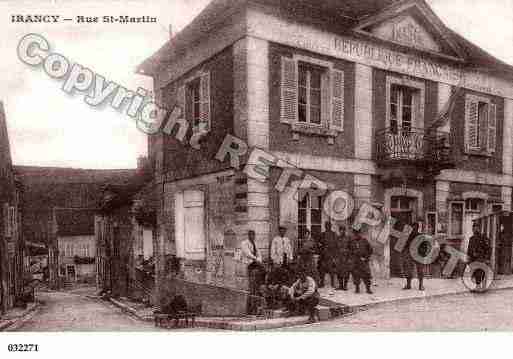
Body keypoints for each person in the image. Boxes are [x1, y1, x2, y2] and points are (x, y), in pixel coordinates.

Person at [241, 230, 266, 314]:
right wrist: (256, 259)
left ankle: (263, 282)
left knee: (257, 285)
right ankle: (251, 309)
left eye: (253, 235)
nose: (252, 237)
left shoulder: (255, 243)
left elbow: (259, 253)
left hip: (255, 264)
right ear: (248, 235)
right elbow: (247, 253)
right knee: (251, 287)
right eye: (251, 235)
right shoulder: (244, 243)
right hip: (249, 264)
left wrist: (259, 260)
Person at [402, 221, 427, 291]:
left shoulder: (421, 236)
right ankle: (410, 285)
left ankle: (420, 285)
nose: (413, 229)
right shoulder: (409, 236)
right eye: (412, 227)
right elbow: (405, 245)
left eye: (414, 227)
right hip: (411, 254)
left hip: (418, 255)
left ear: (417, 228)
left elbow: (425, 246)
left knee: (419, 270)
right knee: (409, 269)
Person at [467, 223, 491, 290]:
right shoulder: (471, 239)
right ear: (472, 229)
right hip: (473, 259)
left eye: (477, 228)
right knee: (474, 272)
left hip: (481, 258)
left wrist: (487, 258)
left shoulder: (483, 237)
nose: (475, 229)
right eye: (474, 228)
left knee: (480, 272)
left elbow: (488, 248)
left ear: (479, 229)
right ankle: (478, 286)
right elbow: (469, 249)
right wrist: (468, 258)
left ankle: (481, 286)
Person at [349, 227, 373, 294]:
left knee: (366, 275)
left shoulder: (364, 241)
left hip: (363, 261)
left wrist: (366, 258)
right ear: (353, 234)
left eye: (358, 233)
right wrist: (352, 258)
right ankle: (357, 288)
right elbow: (349, 251)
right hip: (355, 261)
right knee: (356, 275)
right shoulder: (352, 242)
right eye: (355, 233)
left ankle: (368, 289)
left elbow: (370, 250)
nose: (356, 235)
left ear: (360, 233)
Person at [318, 222, 339, 288]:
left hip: (331, 255)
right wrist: (321, 248)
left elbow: (336, 245)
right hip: (323, 255)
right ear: (325, 226)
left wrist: (334, 256)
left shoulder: (334, 234)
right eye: (326, 226)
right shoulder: (322, 234)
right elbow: (318, 244)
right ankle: (322, 282)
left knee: (331, 270)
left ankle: (332, 283)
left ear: (330, 226)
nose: (327, 227)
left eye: (329, 226)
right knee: (322, 270)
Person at [336, 226, 352, 291]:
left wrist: (350, 258)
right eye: (340, 230)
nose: (342, 231)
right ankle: (340, 285)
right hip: (339, 258)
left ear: (345, 231)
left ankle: (345, 286)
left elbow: (351, 249)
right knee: (339, 272)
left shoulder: (348, 238)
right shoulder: (337, 238)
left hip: (346, 258)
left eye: (343, 230)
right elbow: (335, 248)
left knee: (346, 272)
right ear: (339, 231)